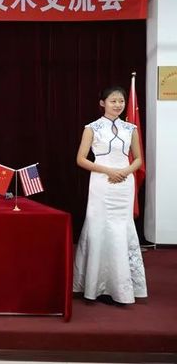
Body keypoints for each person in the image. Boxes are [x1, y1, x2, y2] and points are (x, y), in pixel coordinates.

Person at [73, 85, 147, 304]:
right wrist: (108, 171)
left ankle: (121, 286)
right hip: (102, 183)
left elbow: (138, 159)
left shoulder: (131, 128)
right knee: (99, 226)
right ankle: (94, 285)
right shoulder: (92, 128)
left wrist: (124, 171)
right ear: (102, 103)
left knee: (121, 228)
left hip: (124, 184)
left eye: (121, 101)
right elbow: (81, 159)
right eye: (113, 101)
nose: (118, 105)